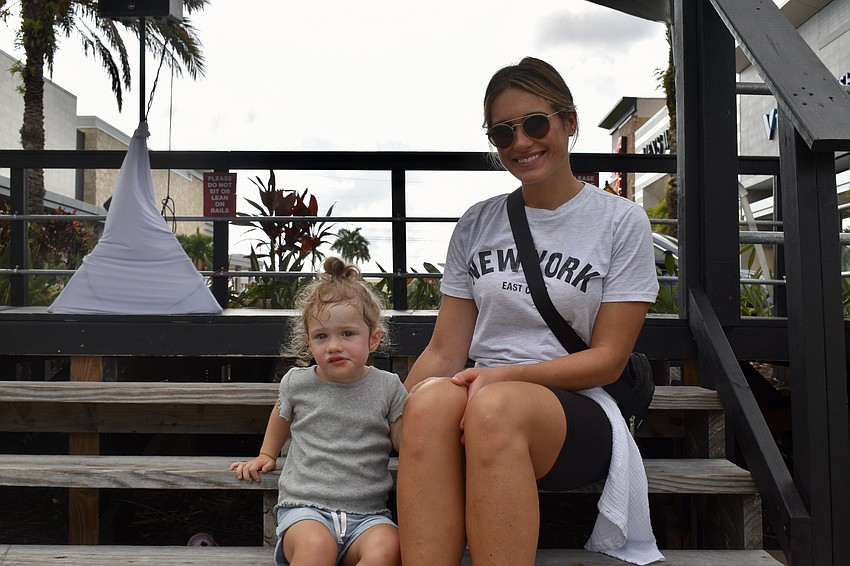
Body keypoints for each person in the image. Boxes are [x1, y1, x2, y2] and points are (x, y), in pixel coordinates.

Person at [396, 57, 664, 566]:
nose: (521, 143)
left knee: (495, 408)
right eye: (503, 133)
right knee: (428, 405)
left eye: (535, 124)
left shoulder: (620, 221)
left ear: (569, 122)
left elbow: (607, 360)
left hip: (576, 406)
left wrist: (501, 378)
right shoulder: (477, 224)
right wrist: (394, 412)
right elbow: (444, 351)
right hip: (481, 396)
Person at [231, 256, 406, 566]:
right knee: (315, 548)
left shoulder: (388, 386)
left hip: (368, 515)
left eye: (347, 334)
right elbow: (281, 415)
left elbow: (403, 440)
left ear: (373, 338)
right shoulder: (298, 383)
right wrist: (267, 454)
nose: (333, 346)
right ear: (309, 343)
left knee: (388, 547)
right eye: (321, 336)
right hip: (305, 509)